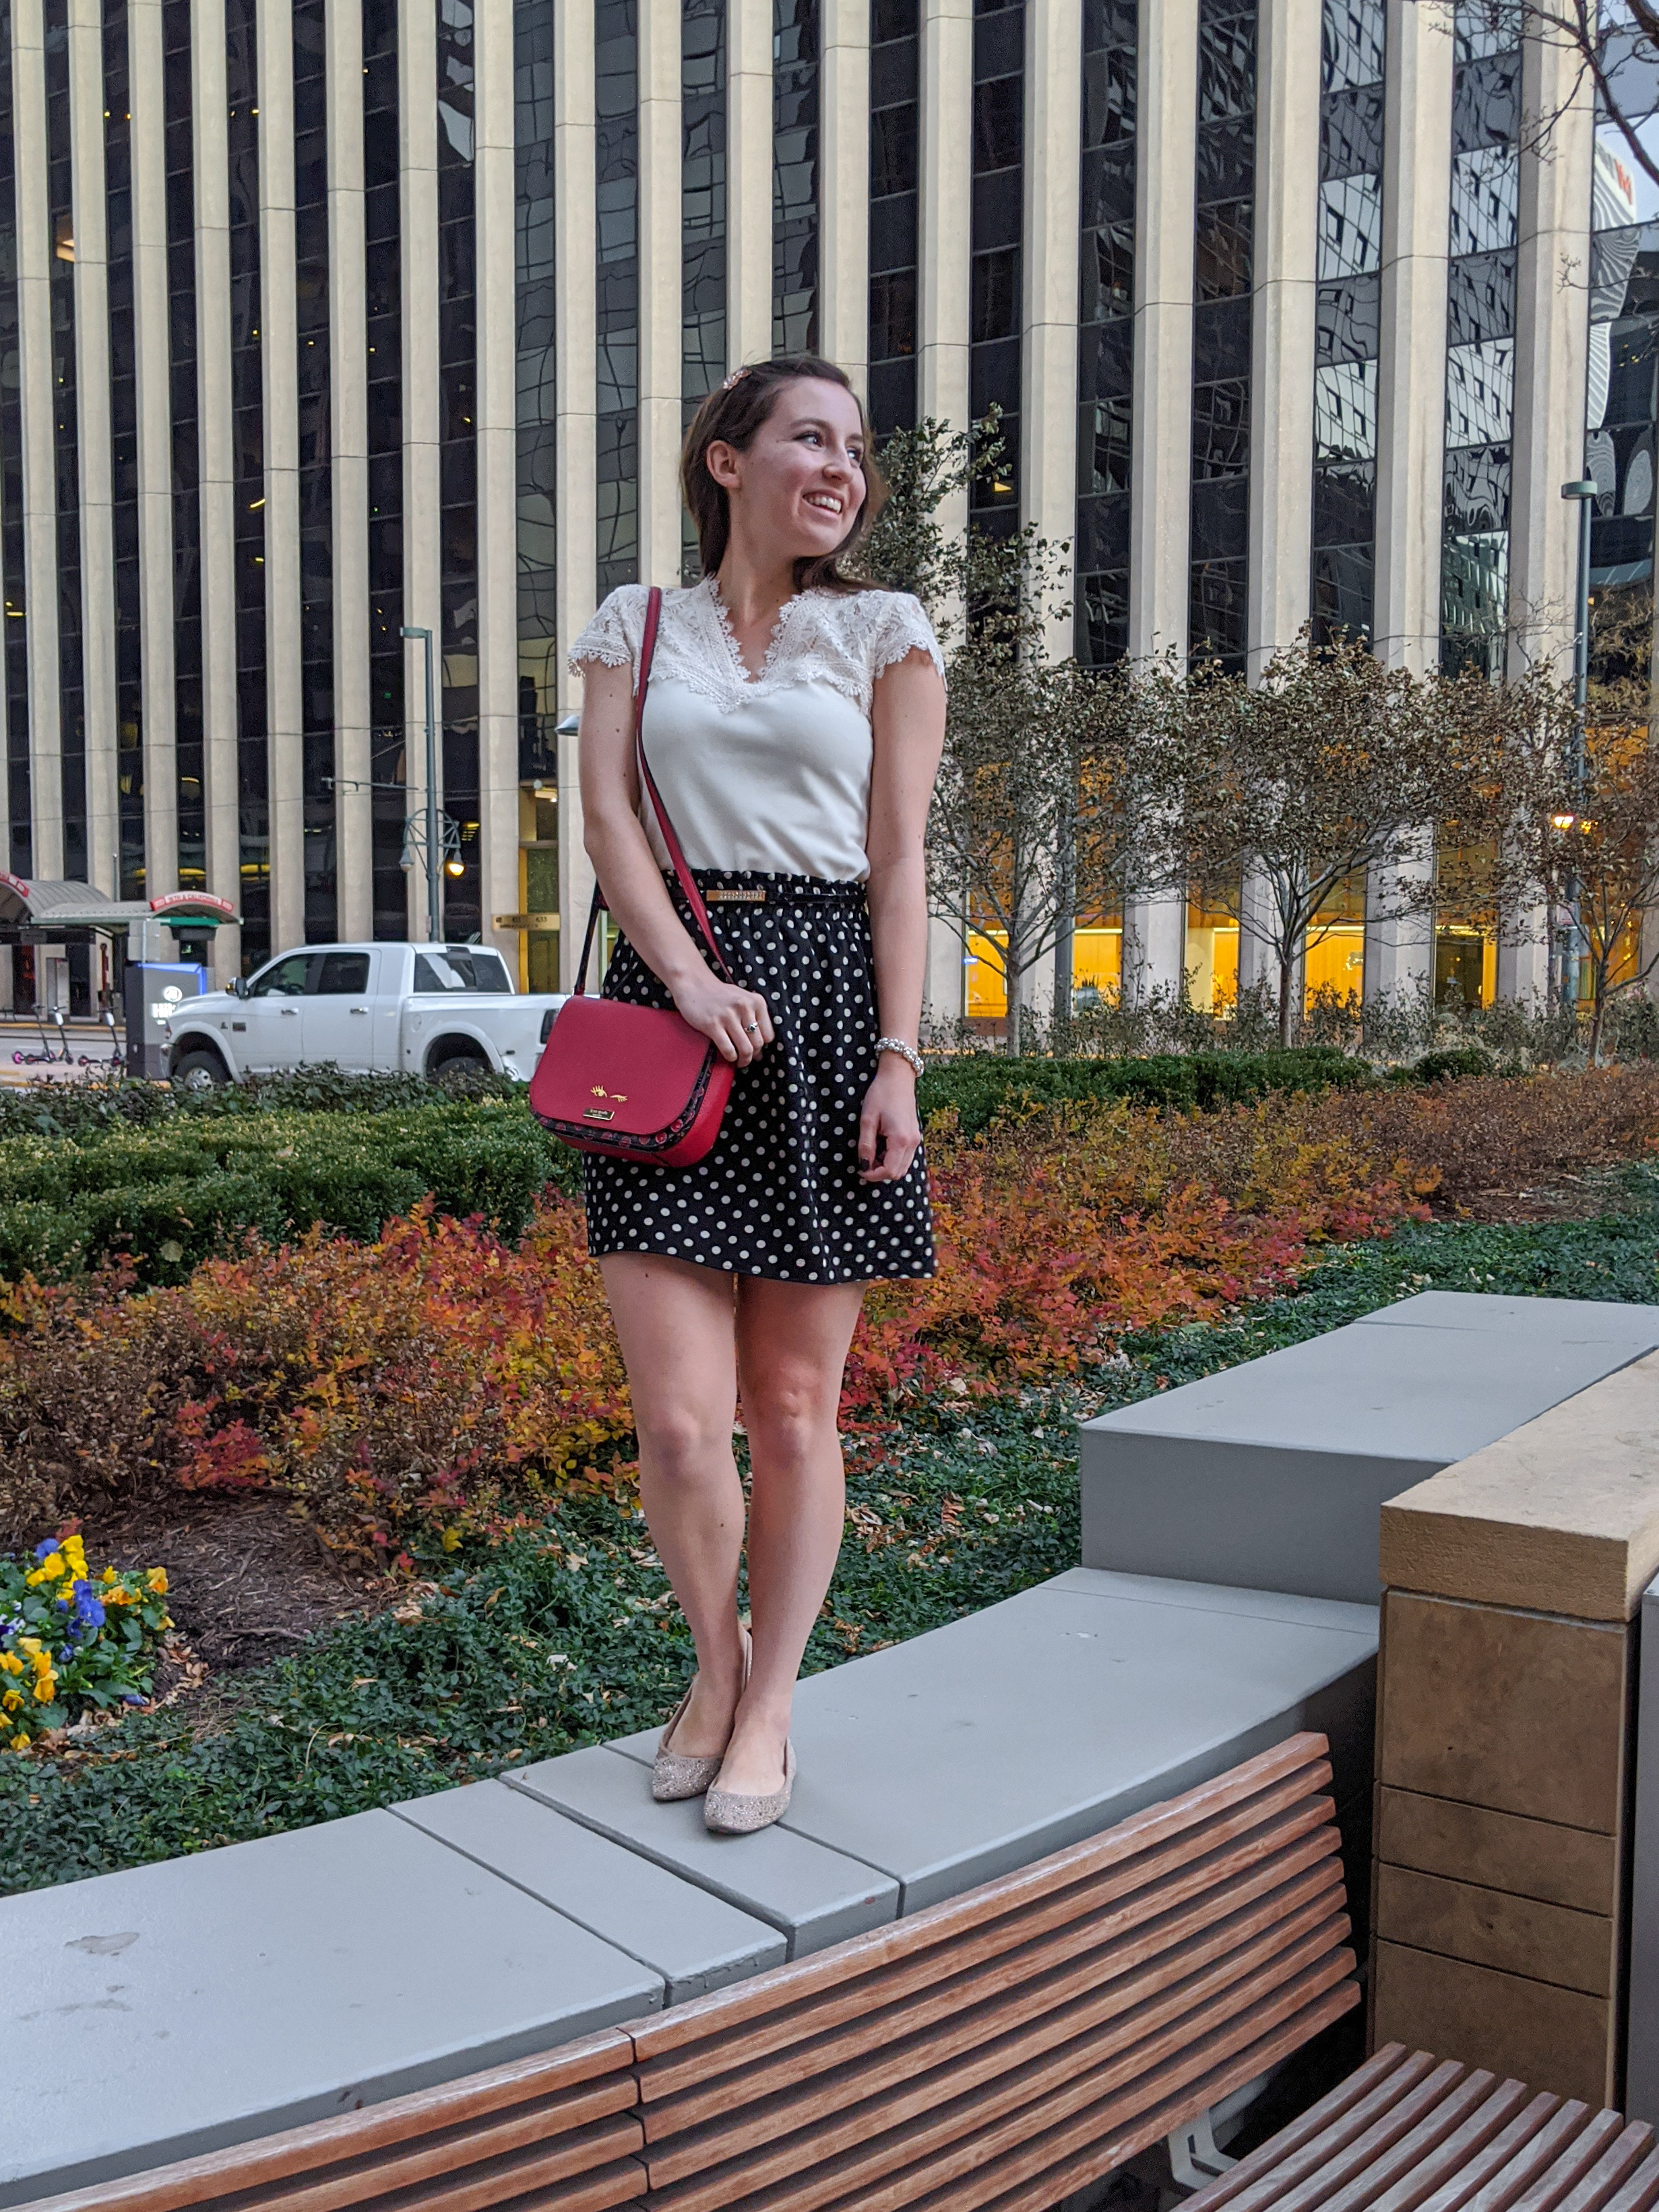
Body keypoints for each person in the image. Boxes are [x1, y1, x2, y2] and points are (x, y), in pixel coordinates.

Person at [569, 354, 946, 1835]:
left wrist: (898, 1057)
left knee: (791, 1409)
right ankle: (714, 1670)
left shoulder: (883, 630)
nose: (841, 465)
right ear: (727, 460)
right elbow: (608, 818)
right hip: (672, 1009)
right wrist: (680, 976)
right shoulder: (634, 624)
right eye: (809, 436)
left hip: (831, 1003)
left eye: (854, 445)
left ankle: (770, 1702)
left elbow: (899, 858)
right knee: (677, 1425)